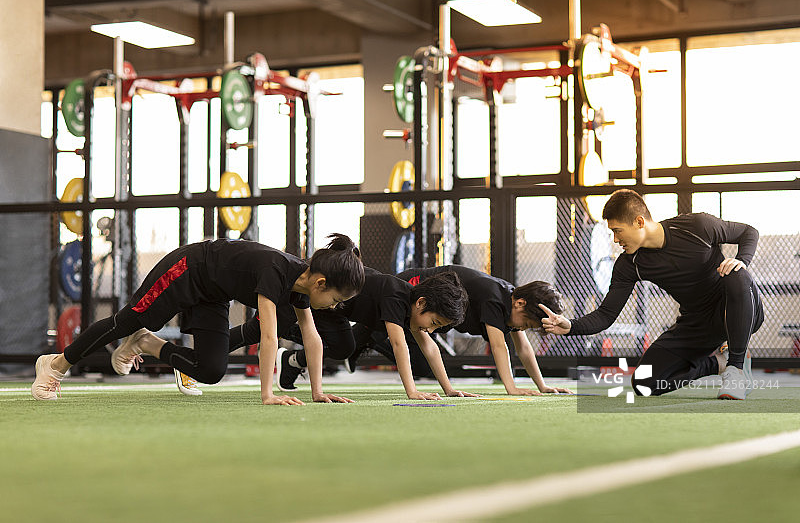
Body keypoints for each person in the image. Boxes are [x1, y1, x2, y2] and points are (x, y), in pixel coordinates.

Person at [32, 234, 364, 406]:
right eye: (334, 300)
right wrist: (267, 394)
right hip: (188, 270)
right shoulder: (276, 271)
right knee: (127, 320)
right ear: (321, 283)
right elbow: (269, 338)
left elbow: (311, 336)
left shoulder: (302, 288)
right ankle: (56, 365)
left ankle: (148, 343)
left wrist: (318, 391)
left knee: (211, 370)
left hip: (213, 294)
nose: (332, 308)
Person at [540, 189, 763, 400]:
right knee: (644, 383)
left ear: (639, 222)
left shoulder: (697, 226)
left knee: (737, 274)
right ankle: (718, 364)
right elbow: (607, 314)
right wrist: (570, 325)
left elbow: (748, 232)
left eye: (617, 231)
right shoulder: (629, 264)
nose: (615, 240)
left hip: (736, 310)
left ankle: (736, 367)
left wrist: (741, 260)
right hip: (697, 324)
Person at [228, 268, 478, 400]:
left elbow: (430, 346)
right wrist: (412, 391)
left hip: (335, 311)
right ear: (421, 303)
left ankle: (289, 362)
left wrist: (449, 389)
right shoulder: (397, 296)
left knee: (343, 348)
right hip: (320, 297)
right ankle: (215, 347)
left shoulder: (414, 313)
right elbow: (399, 345)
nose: (430, 330)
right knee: (257, 331)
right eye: (433, 322)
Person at [349, 265, 572, 396]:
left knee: (421, 363)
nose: (522, 329)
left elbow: (523, 348)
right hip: (414, 293)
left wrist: (541, 385)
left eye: (528, 328)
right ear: (520, 303)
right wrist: (511, 388)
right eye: (526, 324)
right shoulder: (495, 298)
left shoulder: (513, 304)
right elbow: (498, 346)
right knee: (382, 335)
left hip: (431, 313)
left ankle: (366, 337)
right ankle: (369, 336)